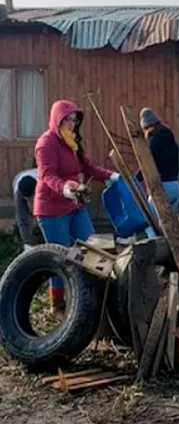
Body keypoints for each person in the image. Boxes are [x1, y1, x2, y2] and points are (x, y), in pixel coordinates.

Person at [34, 99, 119, 316]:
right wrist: (64, 189)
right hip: (51, 209)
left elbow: (88, 167)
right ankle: (58, 305)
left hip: (74, 205)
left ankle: (96, 296)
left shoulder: (71, 142)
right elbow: (47, 176)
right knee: (60, 257)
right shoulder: (47, 143)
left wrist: (111, 176)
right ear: (57, 120)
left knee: (91, 247)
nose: (72, 124)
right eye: (67, 120)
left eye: (74, 120)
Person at [135, 108, 179, 237]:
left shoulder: (154, 141)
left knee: (151, 221)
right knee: (171, 226)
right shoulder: (169, 138)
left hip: (163, 187)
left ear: (147, 127)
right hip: (176, 186)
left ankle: (155, 249)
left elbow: (149, 163)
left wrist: (136, 178)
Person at [12, 166, 38, 251]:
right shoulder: (18, 193)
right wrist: (28, 243)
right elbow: (22, 219)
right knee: (21, 214)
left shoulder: (43, 184)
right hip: (18, 179)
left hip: (37, 181)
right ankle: (22, 239)